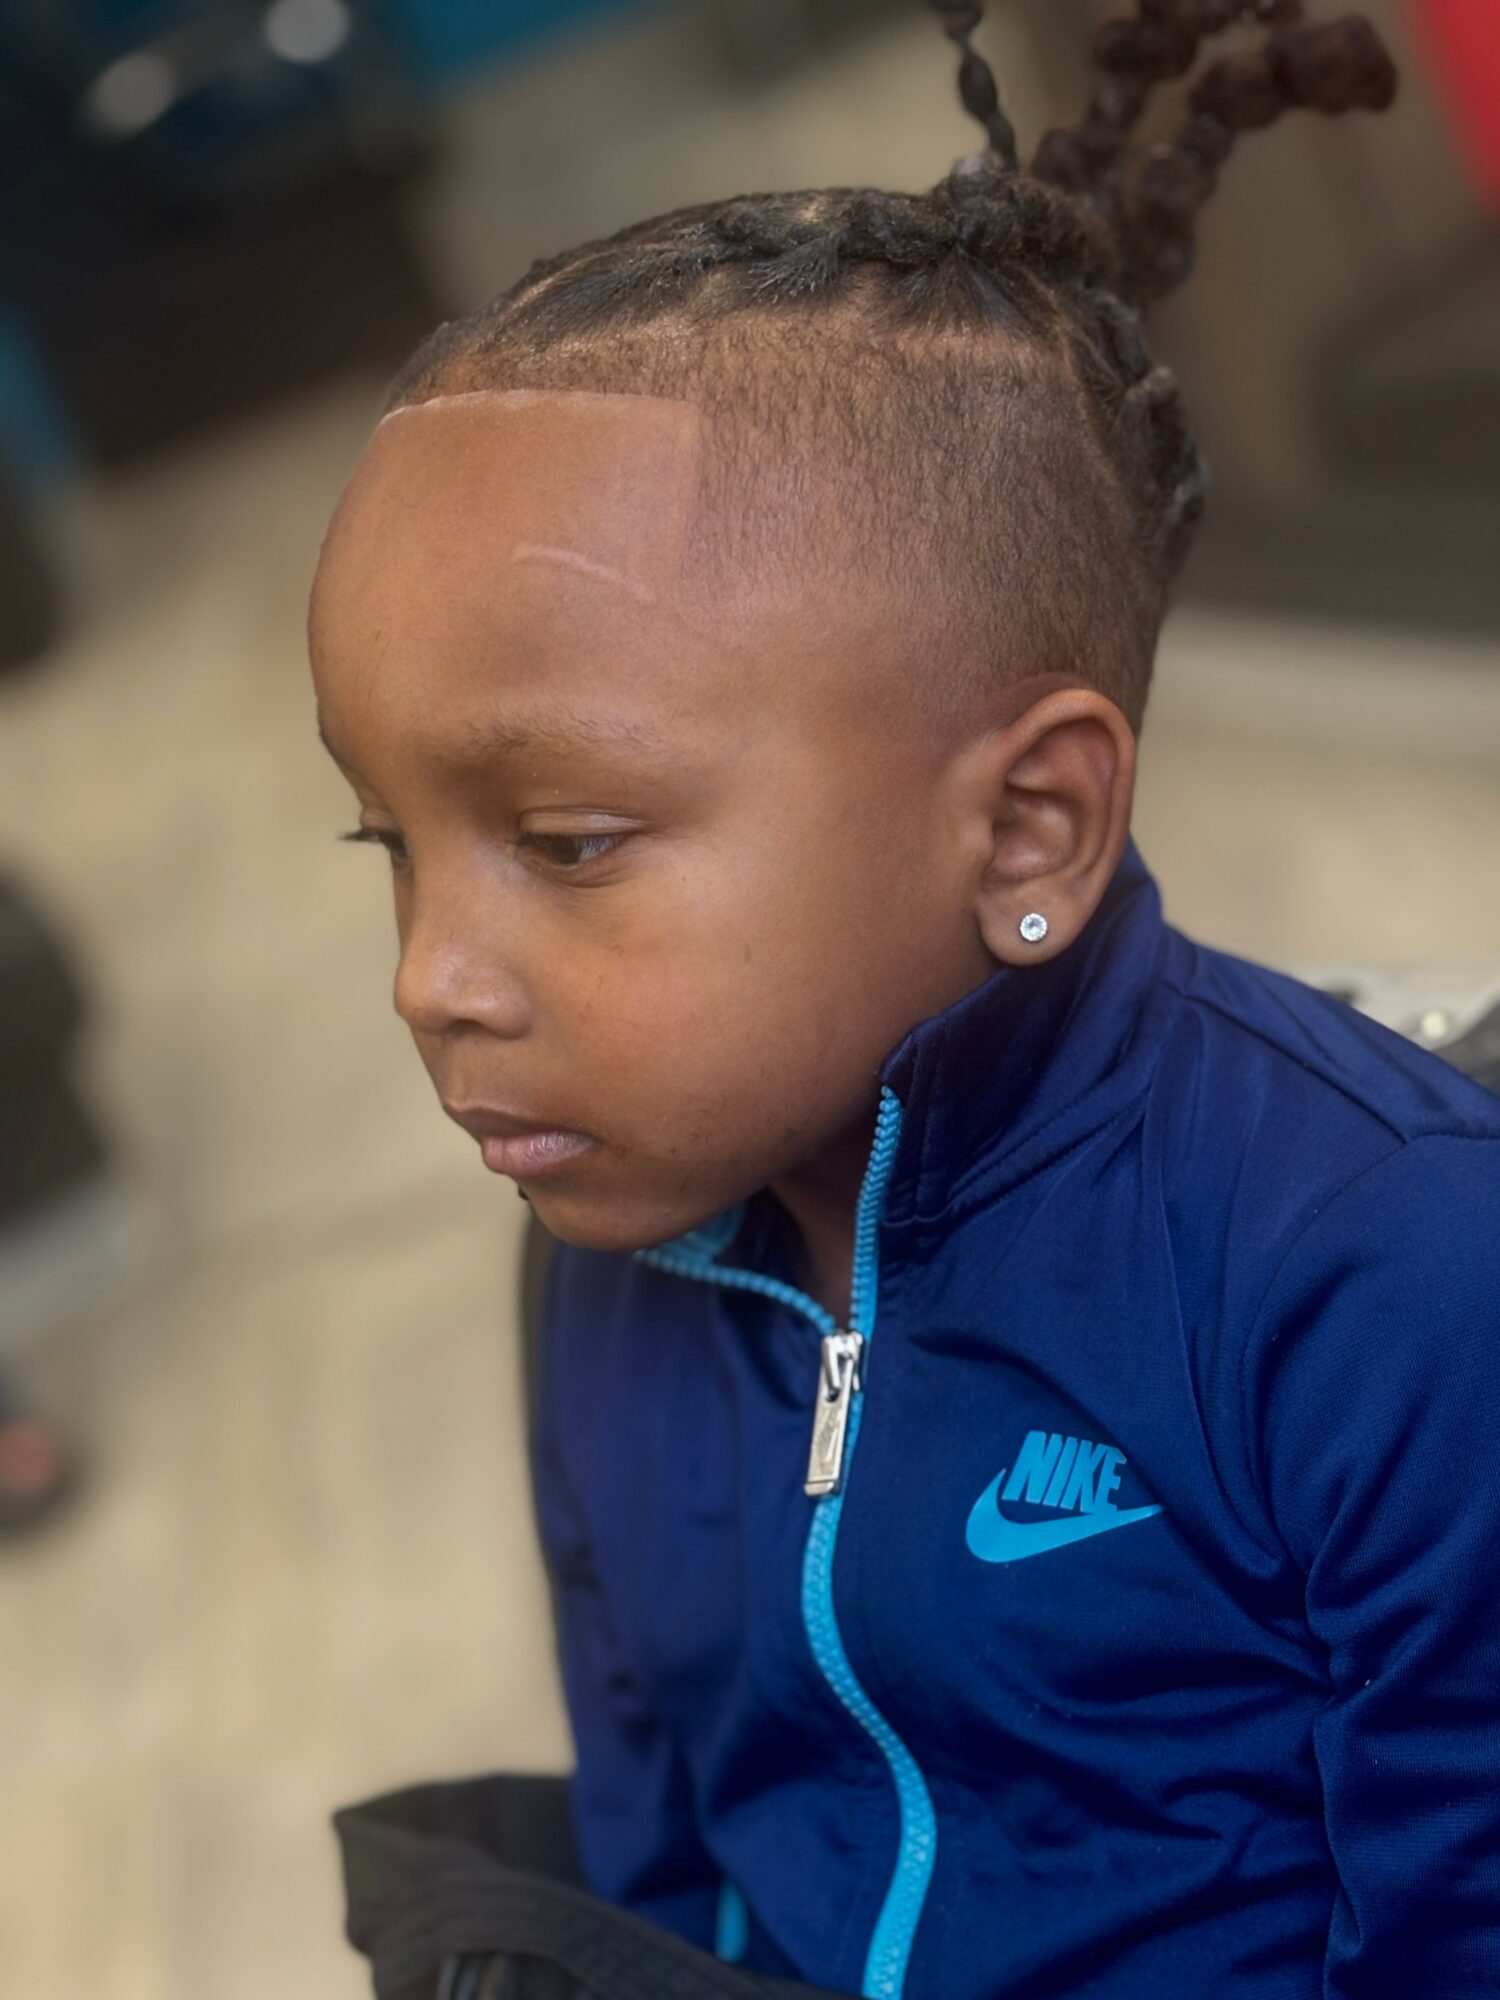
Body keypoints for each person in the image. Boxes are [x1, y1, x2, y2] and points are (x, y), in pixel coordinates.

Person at [308, 5, 1500, 1996]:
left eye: (570, 842)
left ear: (1030, 823)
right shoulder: (603, 1266)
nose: (432, 977)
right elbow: (662, 1861)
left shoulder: (1392, 1279)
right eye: (391, 848)